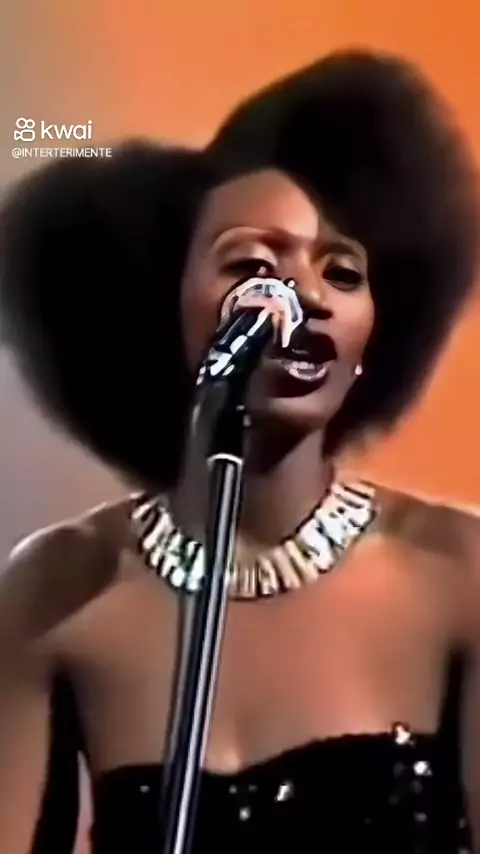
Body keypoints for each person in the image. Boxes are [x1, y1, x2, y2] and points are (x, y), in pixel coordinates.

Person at [0, 47, 479, 854]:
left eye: (343, 272)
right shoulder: (59, 592)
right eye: (254, 264)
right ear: (166, 305)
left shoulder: (457, 574)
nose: (306, 296)